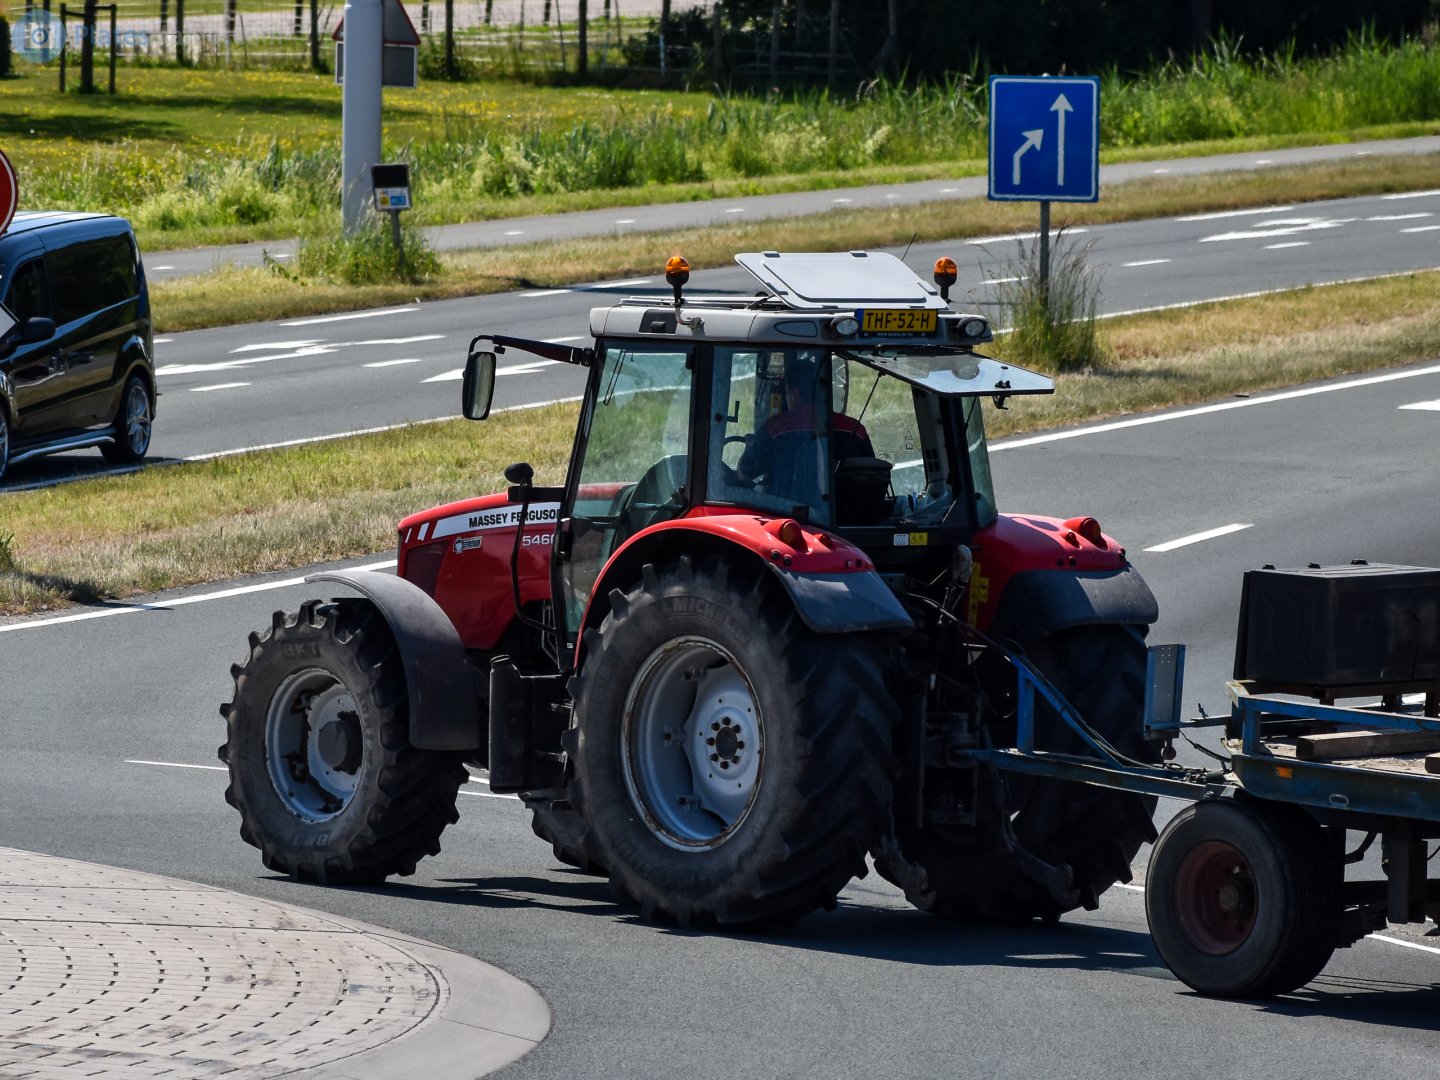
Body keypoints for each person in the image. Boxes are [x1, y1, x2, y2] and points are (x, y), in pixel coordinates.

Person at [737, 353, 873, 493]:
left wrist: (750, 446)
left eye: (787, 391)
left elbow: (744, 473)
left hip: (784, 506)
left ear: (795, 394)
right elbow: (872, 476)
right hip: (847, 507)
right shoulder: (855, 429)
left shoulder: (775, 428)